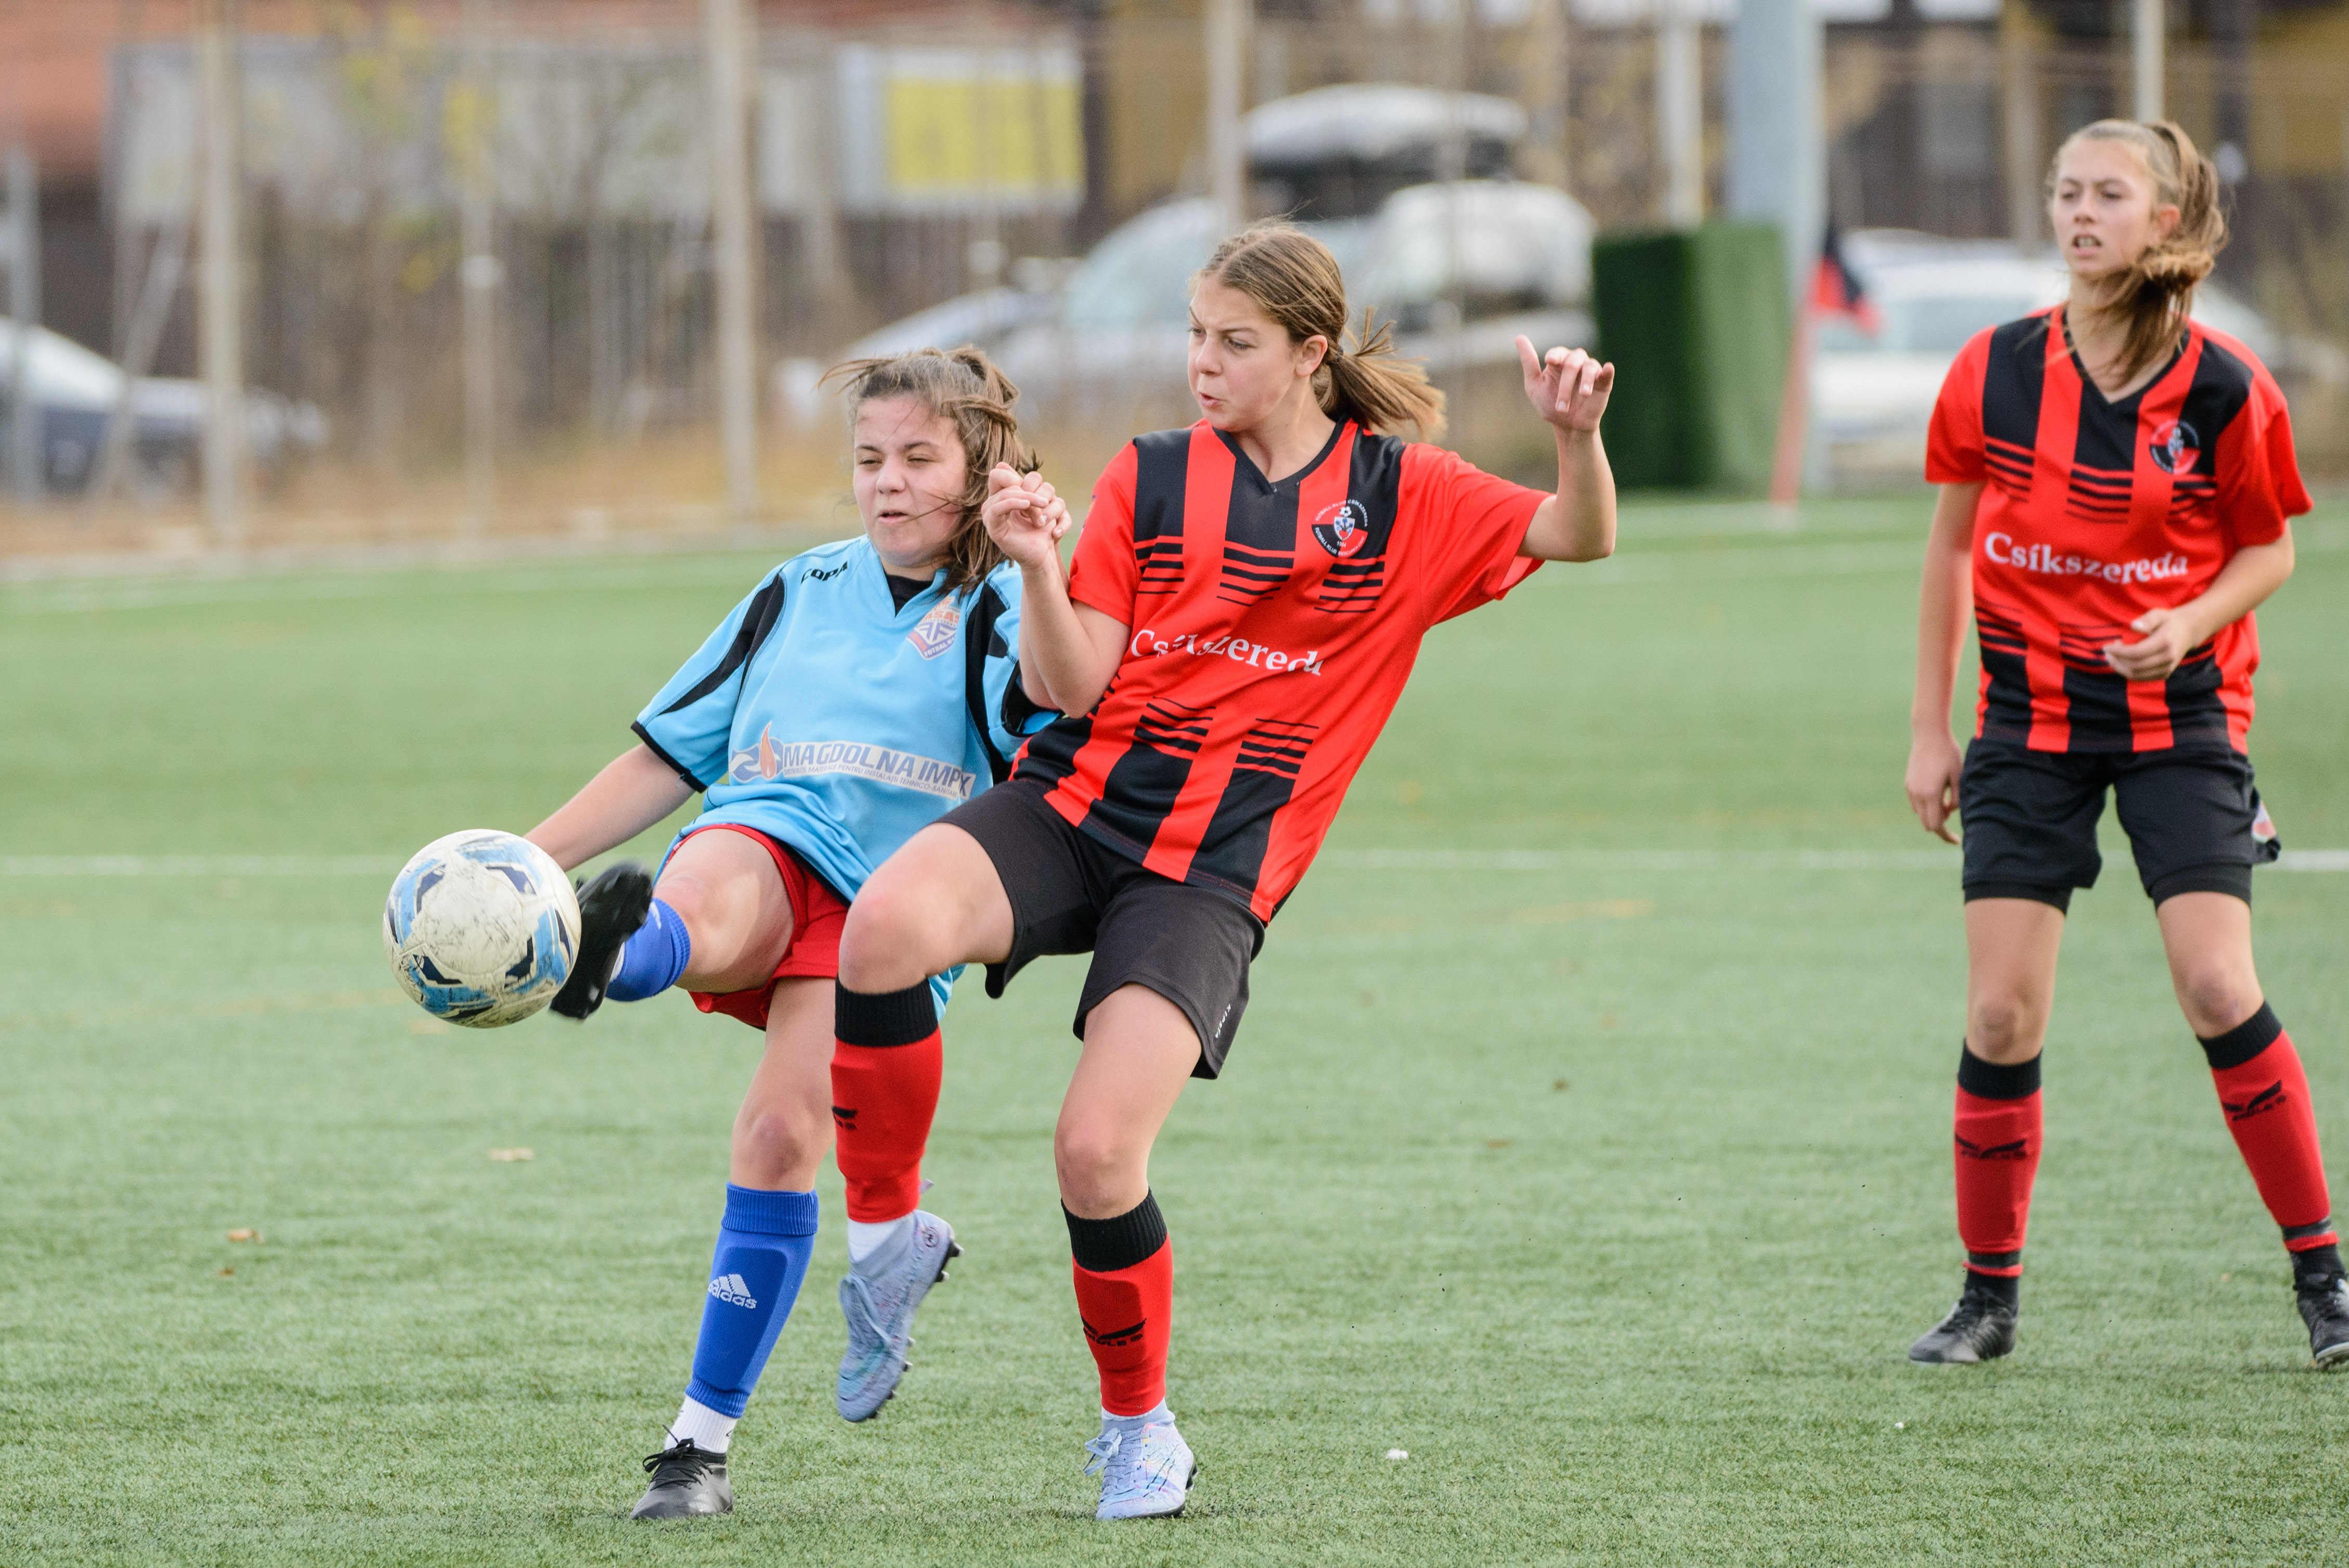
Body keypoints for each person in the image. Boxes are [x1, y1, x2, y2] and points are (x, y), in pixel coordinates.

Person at [821, 222, 1619, 1520]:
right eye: (1194, 334)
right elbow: (1067, 683)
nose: (1200, 361)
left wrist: (1574, 436)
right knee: (884, 929)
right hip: (1074, 806)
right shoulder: (1148, 479)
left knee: (1093, 1152)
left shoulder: (1406, 495)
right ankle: (885, 1237)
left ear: (1309, 354)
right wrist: (1034, 566)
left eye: (1232, 343)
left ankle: (1140, 1432)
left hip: (1209, 876)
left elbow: (1577, 538)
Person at [520, 348, 1065, 1518]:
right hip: (767, 837)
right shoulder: (795, 587)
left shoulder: (1004, 599)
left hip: (885, 915)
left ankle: (696, 1449)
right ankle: (613, 947)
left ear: (979, 470)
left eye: (920, 458)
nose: (888, 482)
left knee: (776, 1135)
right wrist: (526, 862)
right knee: (710, 878)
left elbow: (1052, 724)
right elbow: (665, 757)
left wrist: (1041, 565)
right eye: (869, 460)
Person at [1903, 119, 2342, 1369]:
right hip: (2026, 724)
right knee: (1999, 1012)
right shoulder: (1991, 370)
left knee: (2216, 983)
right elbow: (1947, 544)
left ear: (2164, 220)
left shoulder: (2223, 385)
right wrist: (1930, 727)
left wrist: (2189, 621)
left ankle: (2324, 1279)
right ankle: (1987, 1300)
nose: (2079, 212)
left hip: (2180, 721)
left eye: (2107, 193)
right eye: (2063, 192)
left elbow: (2271, 547)